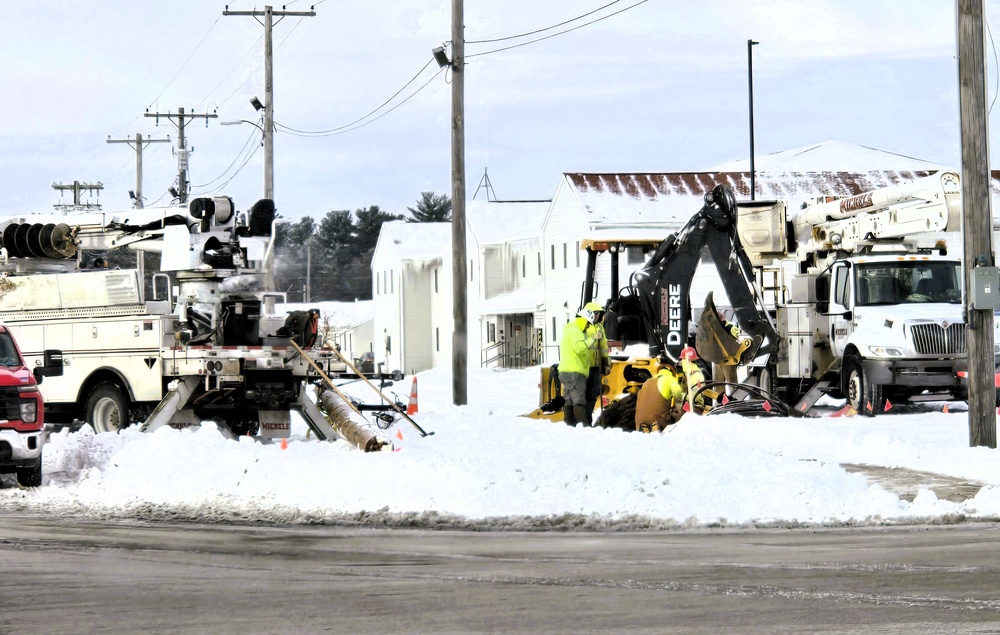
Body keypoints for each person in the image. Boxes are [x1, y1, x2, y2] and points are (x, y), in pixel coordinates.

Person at [558, 304, 602, 427]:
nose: (588, 326)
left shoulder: (570, 329)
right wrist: (593, 338)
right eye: (588, 324)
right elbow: (580, 348)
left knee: (569, 400)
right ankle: (584, 426)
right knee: (578, 401)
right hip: (574, 372)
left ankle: (569, 425)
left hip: (566, 370)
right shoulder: (575, 331)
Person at [634, 366, 685, 432]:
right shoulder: (669, 378)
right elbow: (677, 391)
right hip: (657, 421)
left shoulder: (647, 381)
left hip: (639, 423)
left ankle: (645, 428)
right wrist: (681, 399)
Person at [583, 302, 610, 426]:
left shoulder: (600, 327)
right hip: (584, 366)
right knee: (584, 394)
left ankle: (588, 418)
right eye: (596, 314)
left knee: (593, 394)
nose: (598, 316)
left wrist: (606, 362)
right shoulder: (582, 326)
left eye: (599, 314)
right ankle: (583, 419)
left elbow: (604, 346)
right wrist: (594, 337)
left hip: (596, 366)